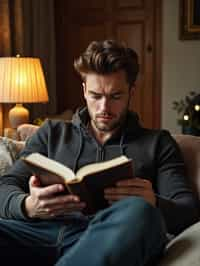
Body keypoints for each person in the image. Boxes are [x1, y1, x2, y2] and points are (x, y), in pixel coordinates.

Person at [0, 40, 198, 266]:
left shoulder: (158, 143)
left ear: (131, 92)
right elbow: (4, 187)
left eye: (115, 96)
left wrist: (153, 201)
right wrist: (28, 206)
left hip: (111, 238)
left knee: (142, 212)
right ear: (84, 90)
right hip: (40, 234)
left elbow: (188, 211)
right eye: (96, 95)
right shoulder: (51, 133)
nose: (104, 108)